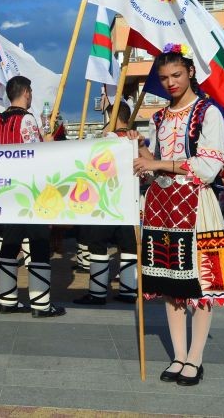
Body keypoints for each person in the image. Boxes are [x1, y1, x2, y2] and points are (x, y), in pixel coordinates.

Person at [131, 43, 224, 386]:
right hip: (163, 205)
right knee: (170, 284)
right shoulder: (159, 117)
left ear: (191, 72)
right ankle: (178, 355)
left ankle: (196, 357)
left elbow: (208, 167)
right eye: (164, 78)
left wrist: (159, 163)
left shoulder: (209, 112)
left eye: (176, 74)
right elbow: (153, 167)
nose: (170, 82)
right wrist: (139, 147)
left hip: (198, 206)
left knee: (201, 285)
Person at [0, 76, 65, 318]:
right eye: (31, 91)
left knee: (10, 243)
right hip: (30, 191)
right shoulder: (26, 118)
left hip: (9, 190)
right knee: (39, 243)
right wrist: (48, 141)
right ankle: (41, 304)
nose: (31, 95)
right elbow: (35, 154)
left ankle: (7, 300)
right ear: (26, 92)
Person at [73, 101, 137, 306]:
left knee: (98, 247)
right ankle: (129, 290)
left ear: (113, 117)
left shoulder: (108, 140)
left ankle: (97, 293)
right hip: (129, 204)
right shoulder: (135, 140)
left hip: (107, 202)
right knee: (128, 247)